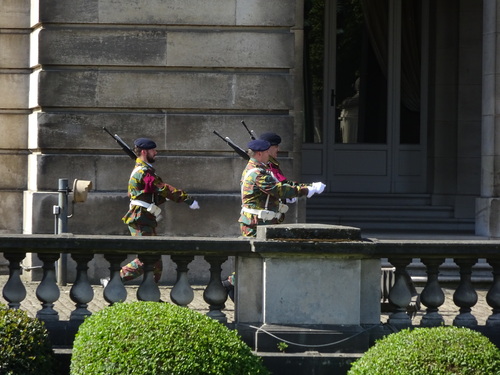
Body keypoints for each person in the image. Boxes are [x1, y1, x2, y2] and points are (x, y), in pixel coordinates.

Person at [101, 137, 200, 287]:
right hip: (140, 218)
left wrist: (160, 199)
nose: (156, 152)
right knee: (147, 258)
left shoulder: (144, 169)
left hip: (146, 217)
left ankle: (151, 295)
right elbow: (163, 188)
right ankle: (112, 280)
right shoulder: (144, 172)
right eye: (153, 150)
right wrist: (187, 200)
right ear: (144, 152)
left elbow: (149, 193)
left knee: (155, 260)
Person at [239, 139, 325, 237]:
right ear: (259, 154)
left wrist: (307, 186)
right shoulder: (257, 173)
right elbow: (278, 190)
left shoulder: (257, 169)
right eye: (266, 152)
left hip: (260, 222)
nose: (268, 154)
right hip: (257, 224)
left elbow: (279, 185)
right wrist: (306, 190)